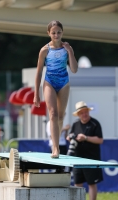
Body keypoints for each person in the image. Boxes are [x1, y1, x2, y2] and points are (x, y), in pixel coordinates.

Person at [33, 20, 78, 158]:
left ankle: (57, 143)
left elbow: (74, 69)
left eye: (59, 32)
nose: (56, 35)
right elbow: (39, 72)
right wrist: (36, 94)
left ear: (62, 32)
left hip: (64, 82)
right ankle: (56, 148)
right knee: (52, 114)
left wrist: (70, 51)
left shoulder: (66, 48)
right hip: (49, 82)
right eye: (53, 32)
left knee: (60, 116)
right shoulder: (45, 50)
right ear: (48, 33)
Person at [66, 101, 103, 200]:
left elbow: (100, 140)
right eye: (81, 112)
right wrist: (71, 137)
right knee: (77, 183)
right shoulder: (75, 124)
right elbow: (69, 137)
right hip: (77, 159)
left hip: (91, 159)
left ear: (88, 112)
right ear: (78, 114)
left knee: (92, 183)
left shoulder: (95, 123)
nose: (84, 114)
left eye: (85, 111)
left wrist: (86, 138)